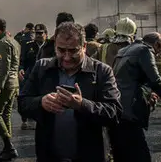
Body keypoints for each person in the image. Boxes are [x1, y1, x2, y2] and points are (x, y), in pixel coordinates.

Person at [18, 21, 122, 162]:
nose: (67, 57)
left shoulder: (102, 72)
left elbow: (114, 113)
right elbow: (22, 104)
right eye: (61, 50)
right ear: (55, 46)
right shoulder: (42, 68)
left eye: (73, 51)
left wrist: (82, 105)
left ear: (84, 47)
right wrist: (41, 102)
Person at [110, 32, 161, 162]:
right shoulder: (145, 50)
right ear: (157, 44)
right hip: (131, 104)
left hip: (116, 102)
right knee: (139, 150)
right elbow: (154, 78)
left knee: (120, 148)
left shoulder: (124, 50)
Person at [0, 18, 21, 161]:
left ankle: (9, 147)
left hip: (6, 84)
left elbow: (4, 67)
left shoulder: (2, 43)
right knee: (6, 115)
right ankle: (7, 147)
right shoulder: (14, 42)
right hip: (14, 83)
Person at [18, 23, 47, 130]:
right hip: (30, 76)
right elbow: (22, 59)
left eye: (40, 33)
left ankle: (38, 120)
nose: (38, 35)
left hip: (44, 77)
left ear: (46, 34)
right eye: (36, 33)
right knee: (25, 96)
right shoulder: (28, 45)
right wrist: (21, 69)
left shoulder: (49, 47)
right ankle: (24, 120)